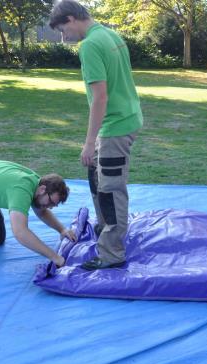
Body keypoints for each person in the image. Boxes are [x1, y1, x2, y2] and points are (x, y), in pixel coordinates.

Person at [50, 0, 143, 271]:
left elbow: (100, 97)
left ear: (70, 19)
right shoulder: (109, 33)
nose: (63, 38)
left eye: (62, 31)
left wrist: (89, 143)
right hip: (123, 119)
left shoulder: (90, 45)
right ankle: (105, 228)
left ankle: (112, 252)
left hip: (117, 126)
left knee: (110, 189)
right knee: (96, 176)